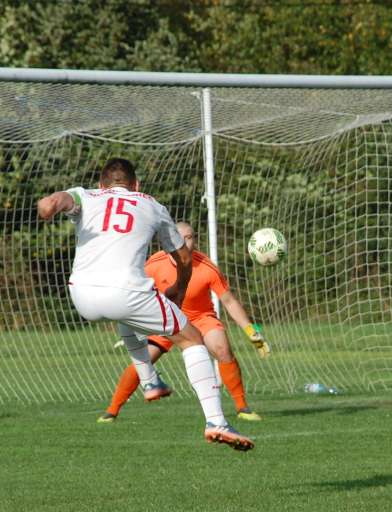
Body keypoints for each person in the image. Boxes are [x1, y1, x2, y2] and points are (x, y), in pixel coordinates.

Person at [36, 157, 254, 451]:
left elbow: (53, 202)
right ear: (136, 184)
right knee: (192, 339)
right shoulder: (151, 205)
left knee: (125, 321)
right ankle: (216, 421)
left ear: (101, 184)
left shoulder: (86, 196)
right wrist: (179, 287)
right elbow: (184, 258)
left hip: (81, 295)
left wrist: (49, 205)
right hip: (127, 292)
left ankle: (150, 381)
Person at [97, 221, 270, 423]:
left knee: (222, 349)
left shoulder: (206, 266)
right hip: (166, 320)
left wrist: (252, 331)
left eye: (191, 237)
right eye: (183, 238)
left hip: (200, 319)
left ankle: (242, 407)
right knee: (143, 360)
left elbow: (229, 301)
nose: (189, 242)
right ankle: (112, 410)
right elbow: (135, 292)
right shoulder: (154, 264)